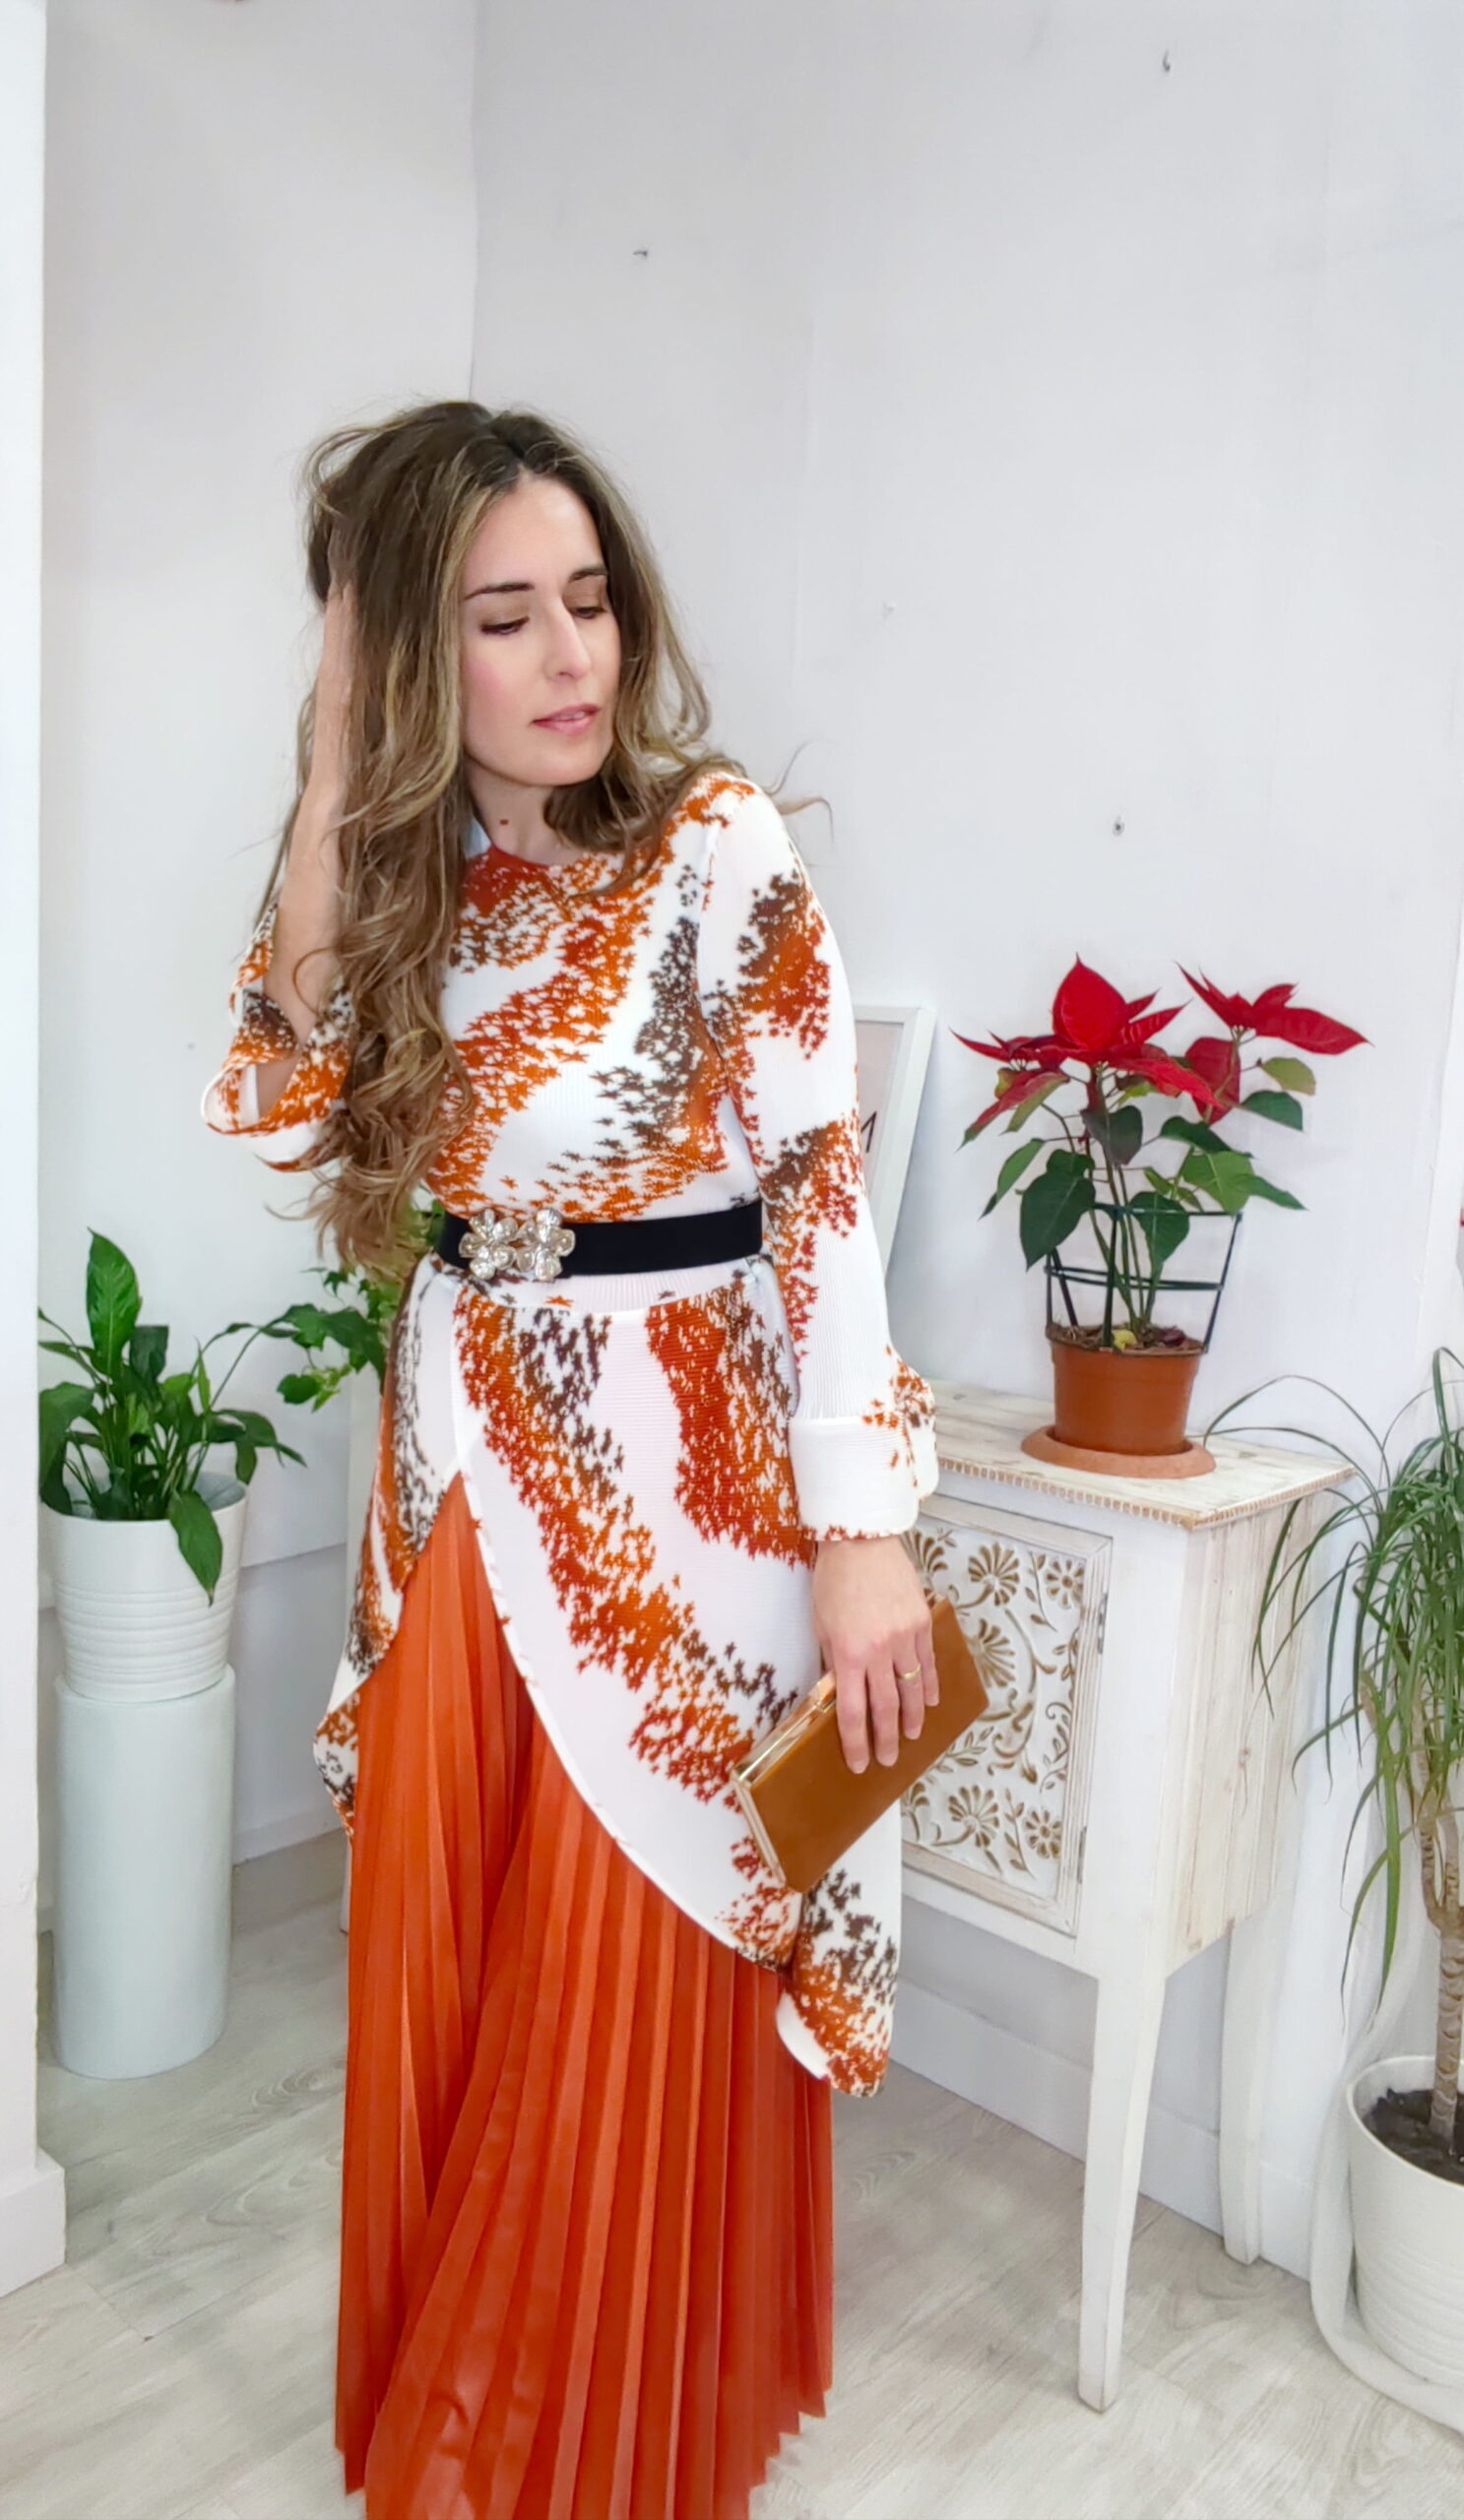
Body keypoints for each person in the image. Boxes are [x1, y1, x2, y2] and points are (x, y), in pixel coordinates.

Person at [200, 400, 939, 2520]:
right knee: (460, 1958)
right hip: (457, 1473)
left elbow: (819, 1194)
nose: (569, 656)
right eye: (501, 615)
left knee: (620, 1980)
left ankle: (569, 2458)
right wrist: (334, 760)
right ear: (413, 654)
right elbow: (275, 1102)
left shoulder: (715, 844)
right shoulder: (407, 878)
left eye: (590, 600)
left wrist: (863, 1532)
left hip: (680, 1505)